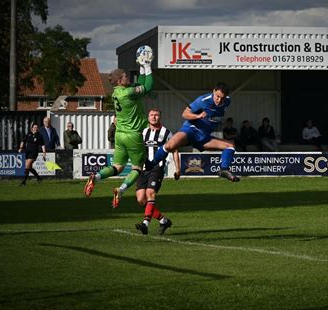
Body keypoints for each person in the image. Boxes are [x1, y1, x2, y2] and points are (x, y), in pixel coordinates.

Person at [84, 50, 153, 208]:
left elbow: (140, 84)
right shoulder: (128, 93)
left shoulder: (116, 93)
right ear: (120, 81)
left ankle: (96, 177)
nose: (128, 78)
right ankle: (121, 189)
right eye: (126, 77)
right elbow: (147, 86)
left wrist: (141, 68)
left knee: (118, 167)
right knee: (137, 168)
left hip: (120, 134)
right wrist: (148, 67)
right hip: (133, 134)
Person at [151, 82, 240, 182]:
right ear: (213, 91)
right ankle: (151, 165)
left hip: (204, 137)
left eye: (222, 98)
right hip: (191, 130)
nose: (219, 100)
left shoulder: (227, 102)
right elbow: (184, 114)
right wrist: (197, 116)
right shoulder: (203, 100)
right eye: (217, 96)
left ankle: (224, 170)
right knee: (169, 146)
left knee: (230, 146)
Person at [135, 109, 180, 236]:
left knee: (150, 193)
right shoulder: (143, 132)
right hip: (143, 169)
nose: (154, 117)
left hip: (157, 168)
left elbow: (175, 150)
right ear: (148, 117)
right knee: (141, 199)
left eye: (156, 115)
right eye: (151, 115)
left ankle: (145, 223)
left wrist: (178, 169)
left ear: (160, 117)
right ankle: (163, 220)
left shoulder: (167, 133)